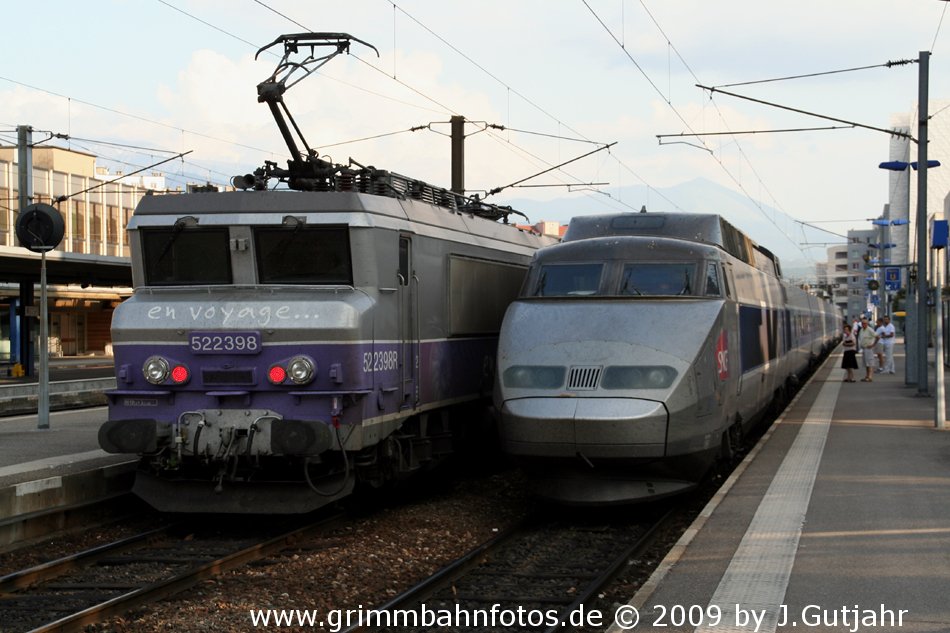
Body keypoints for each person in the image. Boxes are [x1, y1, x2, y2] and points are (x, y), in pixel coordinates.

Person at [857, 317, 879, 382]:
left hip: (869, 348)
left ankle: (870, 377)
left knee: (869, 363)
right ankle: (867, 376)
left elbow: (878, 337)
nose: (863, 324)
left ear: (867, 324)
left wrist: (873, 345)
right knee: (866, 363)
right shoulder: (861, 330)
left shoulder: (870, 329)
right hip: (864, 348)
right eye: (862, 323)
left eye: (865, 323)